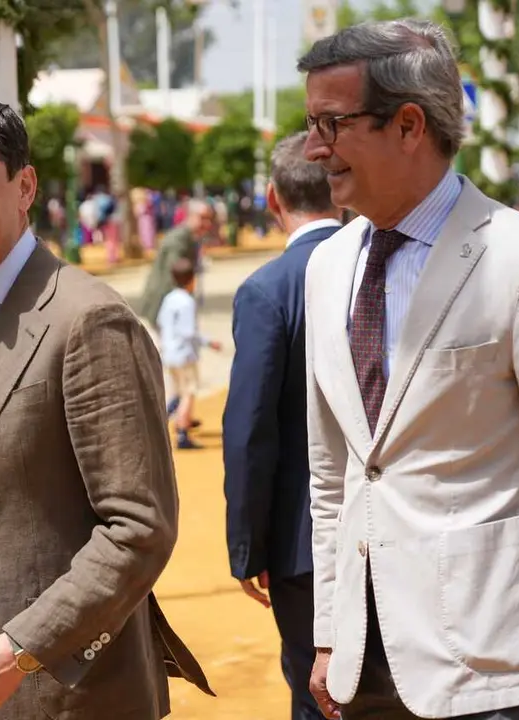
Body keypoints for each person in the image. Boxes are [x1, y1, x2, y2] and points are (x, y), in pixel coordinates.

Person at [0, 96, 212, 720]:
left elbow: (139, 527)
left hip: (62, 693)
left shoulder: (89, 320)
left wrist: (21, 649)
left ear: (25, 188)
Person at [300, 20, 519, 720]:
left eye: (332, 124)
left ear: (409, 125)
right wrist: (329, 633)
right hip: (363, 664)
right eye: (311, 125)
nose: (314, 149)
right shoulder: (327, 267)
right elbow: (333, 472)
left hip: (492, 661)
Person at [222, 132, 341, 720]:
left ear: (273, 198)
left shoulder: (267, 290)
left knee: (316, 693)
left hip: (303, 543)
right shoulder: (387, 266)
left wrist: (249, 546)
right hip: (400, 532)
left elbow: (249, 430)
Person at [156, 257, 222, 450]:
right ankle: (182, 432)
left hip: (170, 353)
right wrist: (209, 342)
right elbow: (189, 332)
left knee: (177, 391)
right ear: (192, 280)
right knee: (189, 392)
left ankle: (167, 419)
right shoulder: (187, 302)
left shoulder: (169, 299)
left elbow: (160, 321)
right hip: (184, 354)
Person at [138, 199, 216, 333]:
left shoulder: (190, 238)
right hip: (163, 304)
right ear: (190, 216)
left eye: (209, 219)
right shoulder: (178, 240)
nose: (207, 224)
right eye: (203, 218)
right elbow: (174, 276)